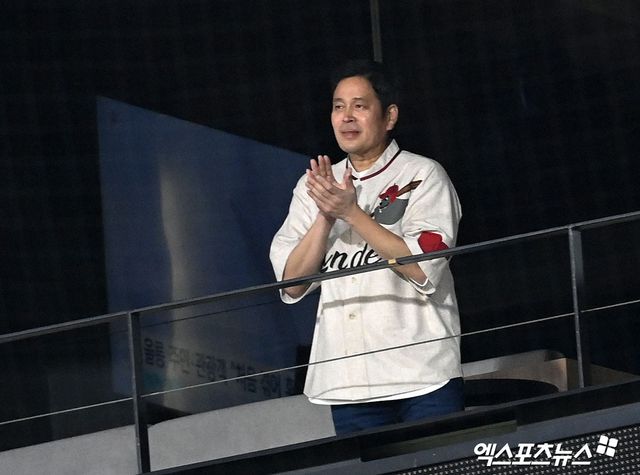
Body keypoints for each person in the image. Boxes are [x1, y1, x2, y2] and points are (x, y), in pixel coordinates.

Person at [270, 59, 464, 435]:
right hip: (348, 382)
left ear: (389, 116)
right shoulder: (315, 186)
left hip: (421, 374)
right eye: (338, 106)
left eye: (359, 106)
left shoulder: (423, 174)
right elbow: (291, 284)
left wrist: (351, 213)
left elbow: (424, 267)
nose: (346, 117)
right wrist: (326, 216)